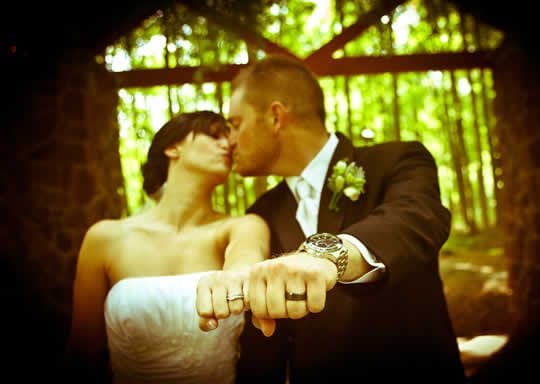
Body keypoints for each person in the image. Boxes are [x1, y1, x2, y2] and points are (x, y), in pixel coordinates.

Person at [196, 55, 466, 383]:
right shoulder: (260, 213)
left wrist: (326, 258)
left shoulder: (398, 160)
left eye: (236, 124)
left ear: (276, 117)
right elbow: (264, 339)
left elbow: (416, 218)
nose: (230, 141)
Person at [64, 110, 270, 384]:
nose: (227, 144)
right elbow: (83, 353)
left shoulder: (242, 227)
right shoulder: (105, 238)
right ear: (173, 148)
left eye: (229, 138)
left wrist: (240, 272)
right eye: (214, 134)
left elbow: (245, 259)